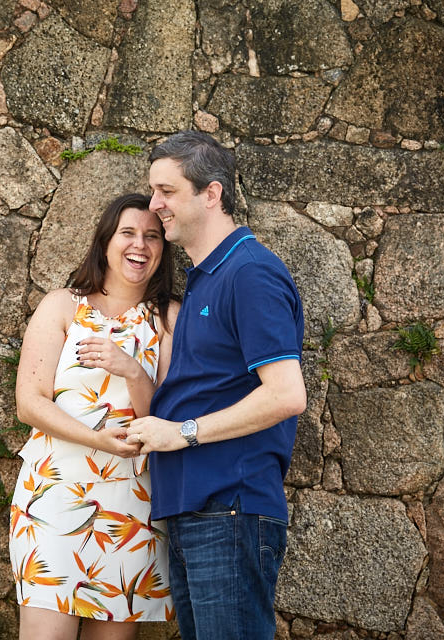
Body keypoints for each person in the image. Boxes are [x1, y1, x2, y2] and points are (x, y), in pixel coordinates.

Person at [126, 131, 307, 640]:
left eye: (167, 191)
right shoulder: (207, 277)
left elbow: (286, 394)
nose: (154, 204)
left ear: (212, 193)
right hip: (195, 509)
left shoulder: (249, 273)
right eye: (152, 190)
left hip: (229, 507)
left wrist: (180, 432)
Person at [10, 193, 179, 640]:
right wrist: (96, 438)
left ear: (164, 249)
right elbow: (30, 401)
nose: (140, 245)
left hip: (131, 512)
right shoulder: (64, 306)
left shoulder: (168, 319)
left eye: (152, 236)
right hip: (54, 498)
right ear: (105, 241)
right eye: (128, 233)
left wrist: (131, 368)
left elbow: (166, 419)